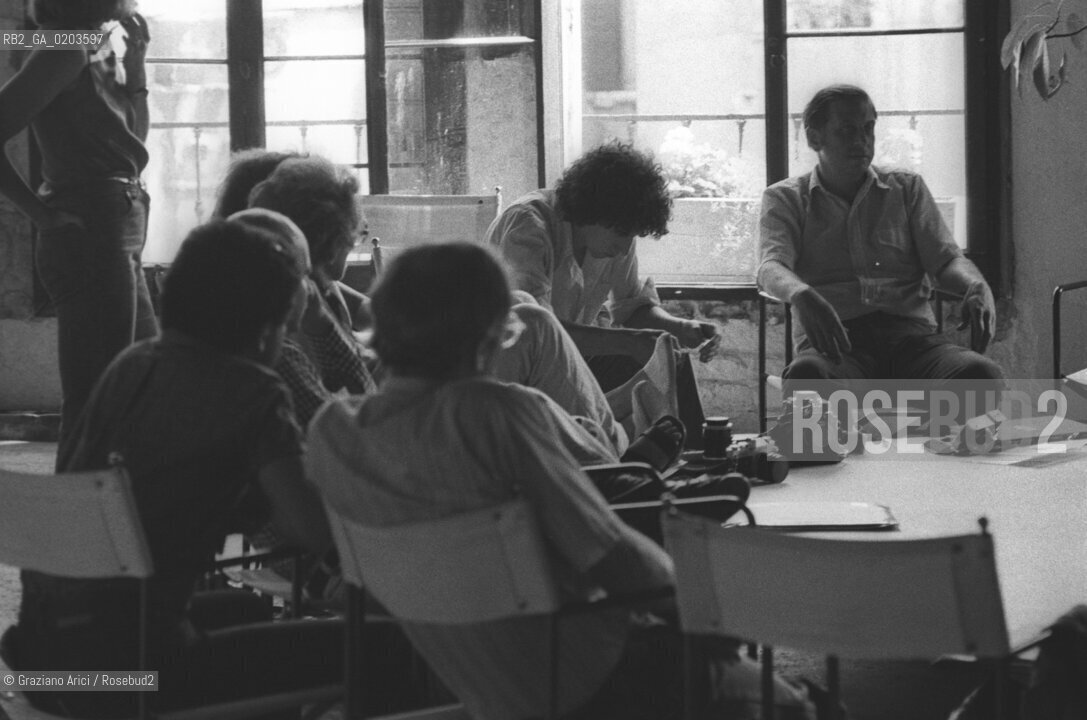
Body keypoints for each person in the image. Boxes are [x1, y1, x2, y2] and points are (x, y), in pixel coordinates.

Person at [305, 242, 815, 720]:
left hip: (476, 685)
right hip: (591, 674)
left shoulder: (333, 434)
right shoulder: (496, 414)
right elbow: (611, 555)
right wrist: (711, 614)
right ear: (493, 331)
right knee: (797, 700)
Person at [758, 84, 1003, 385]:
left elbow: (945, 260)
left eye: (868, 128)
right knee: (807, 377)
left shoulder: (906, 188)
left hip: (914, 343)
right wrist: (800, 294)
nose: (861, 140)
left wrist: (975, 285)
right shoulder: (786, 198)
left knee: (980, 374)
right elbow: (771, 266)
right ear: (813, 137)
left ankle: (938, 435)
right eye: (846, 130)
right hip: (837, 347)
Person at [0, 1, 158, 457]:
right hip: (92, 226)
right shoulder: (63, 48)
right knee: (97, 398)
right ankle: (77, 517)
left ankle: (116, 514)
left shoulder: (87, 45)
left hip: (122, 219)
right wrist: (42, 216)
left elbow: (132, 147)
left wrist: (137, 67)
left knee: (142, 377)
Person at [487, 141, 717, 442]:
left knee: (671, 355)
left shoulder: (615, 234)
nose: (624, 248)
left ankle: (693, 454)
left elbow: (632, 308)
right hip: (516, 370)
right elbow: (536, 336)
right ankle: (639, 455)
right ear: (593, 211)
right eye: (622, 235)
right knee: (633, 355)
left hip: (575, 358)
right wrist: (632, 342)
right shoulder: (528, 226)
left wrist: (680, 327)